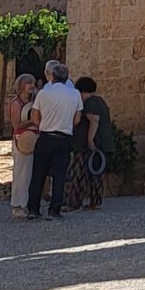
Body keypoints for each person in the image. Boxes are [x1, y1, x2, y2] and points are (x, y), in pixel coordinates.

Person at [27, 56, 82, 222]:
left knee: (38, 174)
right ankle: (54, 210)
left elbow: (34, 117)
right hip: (63, 138)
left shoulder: (43, 93)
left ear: (52, 75)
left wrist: (44, 125)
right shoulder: (75, 94)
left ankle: (33, 209)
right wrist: (65, 124)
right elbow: (77, 119)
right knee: (59, 176)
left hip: (45, 137)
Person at [68, 74, 111, 211]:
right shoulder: (100, 101)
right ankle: (95, 201)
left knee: (79, 173)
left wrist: (90, 140)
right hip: (103, 143)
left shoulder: (89, 102)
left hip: (87, 145)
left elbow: (94, 119)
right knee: (97, 174)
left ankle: (75, 203)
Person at [5, 70, 39, 217]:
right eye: (28, 83)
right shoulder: (16, 103)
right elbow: (17, 125)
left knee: (32, 173)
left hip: (35, 137)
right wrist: (33, 121)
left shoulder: (34, 101)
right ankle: (18, 204)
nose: (31, 85)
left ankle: (29, 204)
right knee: (21, 172)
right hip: (23, 139)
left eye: (33, 83)